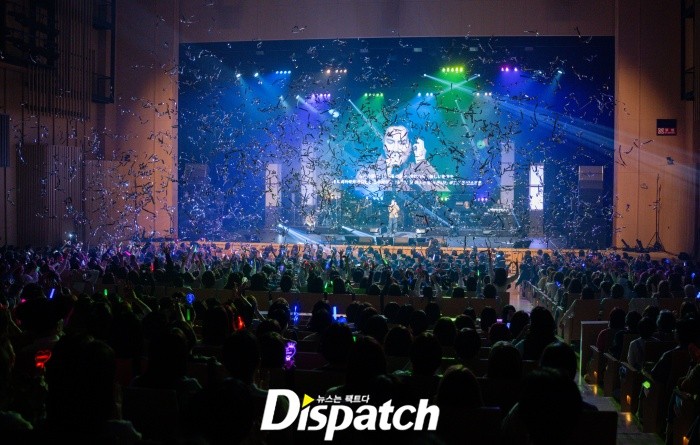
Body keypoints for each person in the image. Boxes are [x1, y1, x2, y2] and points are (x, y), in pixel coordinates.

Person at [355, 125, 447, 195]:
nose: (396, 148)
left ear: (411, 146)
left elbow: (441, 195)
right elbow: (361, 197)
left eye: (402, 143)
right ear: (383, 145)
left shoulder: (419, 171)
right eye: (390, 142)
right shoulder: (366, 172)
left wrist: (421, 161)